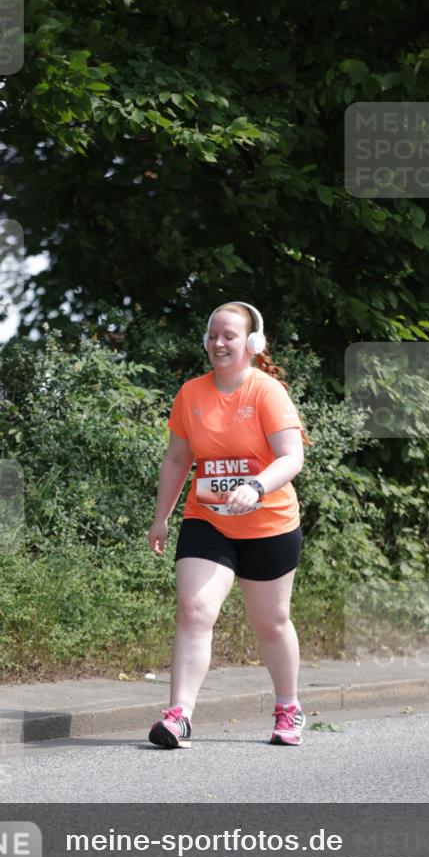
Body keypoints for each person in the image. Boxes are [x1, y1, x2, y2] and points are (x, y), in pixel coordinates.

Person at [146, 302, 311, 749]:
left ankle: (288, 706)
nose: (219, 343)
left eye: (230, 336)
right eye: (213, 335)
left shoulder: (266, 392)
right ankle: (179, 715)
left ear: (252, 344)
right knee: (195, 610)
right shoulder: (191, 394)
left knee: (271, 622)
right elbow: (178, 458)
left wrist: (256, 487)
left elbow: (291, 457)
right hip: (208, 520)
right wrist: (161, 517)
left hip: (269, 524)